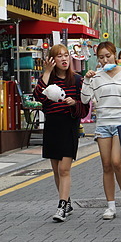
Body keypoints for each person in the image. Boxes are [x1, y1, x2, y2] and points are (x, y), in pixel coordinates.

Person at [81, 42, 121, 220]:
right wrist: (86, 79)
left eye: (108, 56)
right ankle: (110, 206)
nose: (105, 59)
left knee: (116, 162)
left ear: (115, 55)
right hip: (103, 124)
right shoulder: (96, 76)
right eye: (101, 57)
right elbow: (84, 100)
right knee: (106, 165)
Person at [33, 44, 86, 222]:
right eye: (59, 56)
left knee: (64, 169)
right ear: (52, 60)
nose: (64, 59)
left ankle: (62, 207)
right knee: (56, 169)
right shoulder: (47, 79)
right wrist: (46, 72)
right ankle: (67, 201)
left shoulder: (77, 80)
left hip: (69, 125)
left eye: (66, 55)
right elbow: (38, 96)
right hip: (52, 125)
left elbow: (84, 109)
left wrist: (74, 105)